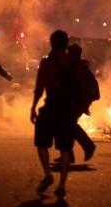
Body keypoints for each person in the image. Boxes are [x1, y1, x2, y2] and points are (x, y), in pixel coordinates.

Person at [30, 30, 78, 198]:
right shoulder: (73, 62)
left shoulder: (47, 62)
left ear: (51, 43)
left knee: (41, 143)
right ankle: (62, 184)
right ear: (66, 43)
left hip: (51, 108)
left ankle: (47, 174)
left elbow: (39, 87)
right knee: (65, 148)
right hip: (68, 109)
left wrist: (33, 108)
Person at [54, 44, 98, 163]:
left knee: (68, 126)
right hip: (74, 102)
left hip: (76, 102)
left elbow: (77, 87)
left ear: (74, 54)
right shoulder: (78, 66)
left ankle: (87, 146)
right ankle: (70, 154)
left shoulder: (79, 67)